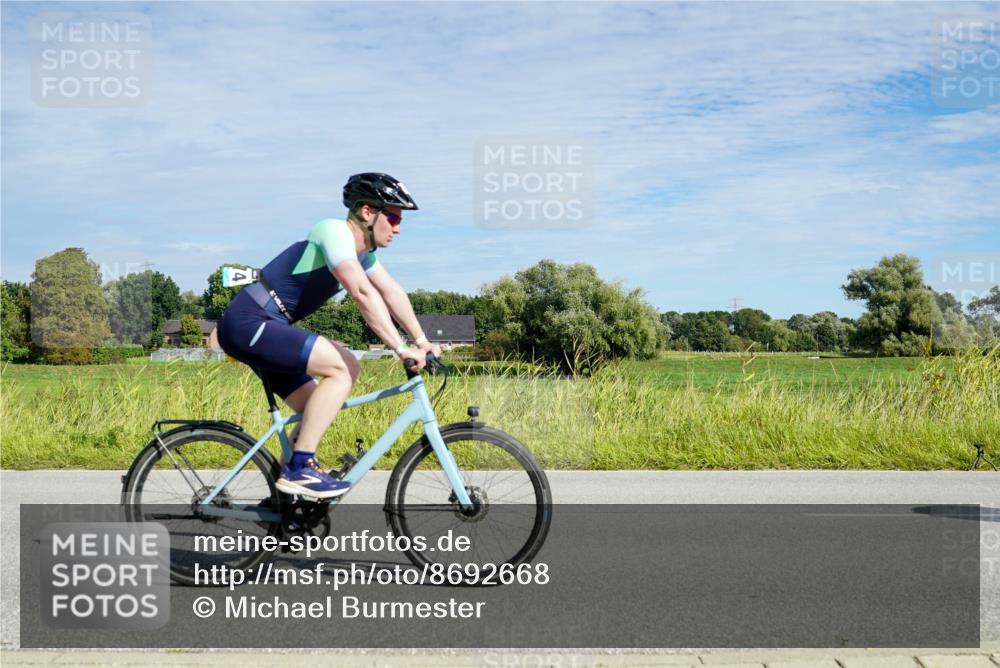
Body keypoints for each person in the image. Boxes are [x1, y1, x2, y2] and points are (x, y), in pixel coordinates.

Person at [216, 173, 442, 499]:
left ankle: (285, 505)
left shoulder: (364, 255)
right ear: (367, 211)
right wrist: (400, 348)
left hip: (269, 325)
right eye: (392, 217)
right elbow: (361, 293)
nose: (397, 227)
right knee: (345, 366)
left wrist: (421, 341)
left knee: (316, 407)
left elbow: (390, 291)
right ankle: (299, 469)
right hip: (249, 321)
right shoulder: (334, 232)